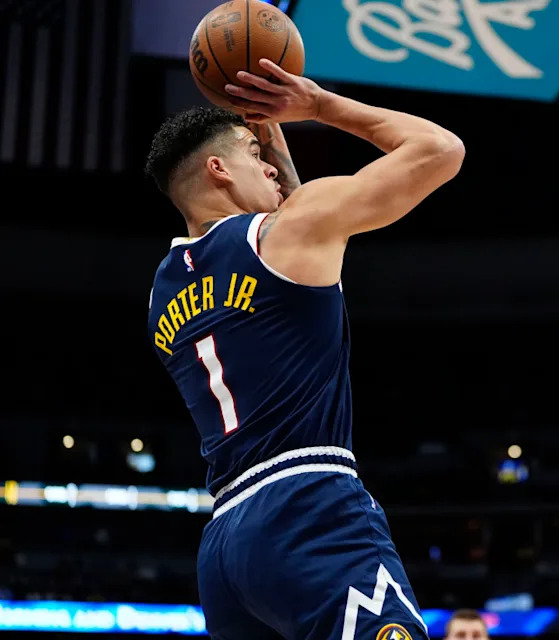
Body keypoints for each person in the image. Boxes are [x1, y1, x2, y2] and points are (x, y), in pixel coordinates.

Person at [144, 58, 464, 640]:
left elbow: (281, 226)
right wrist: (318, 105)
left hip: (225, 547)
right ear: (217, 168)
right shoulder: (288, 232)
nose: (267, 162)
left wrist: (264, 130)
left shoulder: (162, 295)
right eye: (251, 150)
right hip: (310, 505)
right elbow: (440, 150)